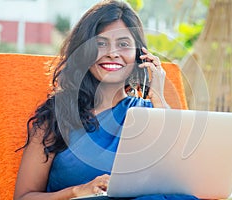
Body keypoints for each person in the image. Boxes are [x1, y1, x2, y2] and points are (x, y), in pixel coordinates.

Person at [14, 0, 198, 199]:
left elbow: (182, 182)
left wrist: (160, 99)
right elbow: (24, 196)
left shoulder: (152, 113)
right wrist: (77, 191)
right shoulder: (56, 117)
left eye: (123, 44)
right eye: (100, 43)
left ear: (139, 55)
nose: (112, 53)